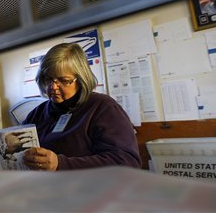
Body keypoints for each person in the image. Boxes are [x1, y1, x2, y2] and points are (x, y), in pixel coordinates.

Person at [22, 43, 141, 171]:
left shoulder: (103, 108)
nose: (53, 87)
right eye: (48, 79)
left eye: (64, 80)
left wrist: (60, 164)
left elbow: (127, 162)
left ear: (81, 79)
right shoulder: (37, 114)